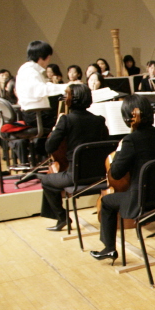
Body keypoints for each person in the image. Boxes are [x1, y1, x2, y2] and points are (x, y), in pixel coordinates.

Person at [90, 95, 155, 261]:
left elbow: (116, 173)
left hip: (141, 201)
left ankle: (109, 248)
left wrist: (121, 147)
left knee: (107, 202)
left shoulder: (130, 141)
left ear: (127, 118)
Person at [39, 84, 110, 230]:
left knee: (46, 180)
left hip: (75, 177)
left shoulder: (66, 120)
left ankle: (62, 217)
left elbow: (49, 147)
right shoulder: (99, 120)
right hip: (101, 176)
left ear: (71, 100)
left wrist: (56, 128)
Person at [15, 41, 68, 151]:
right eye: (49, 57)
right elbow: (40, 90)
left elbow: (43, 85)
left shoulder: (27, 69)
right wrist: (64, 88)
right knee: (67, 123)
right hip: (37, 115)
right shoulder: (31, 72)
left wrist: (64, 86)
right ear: (43, 57)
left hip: (33, 114)